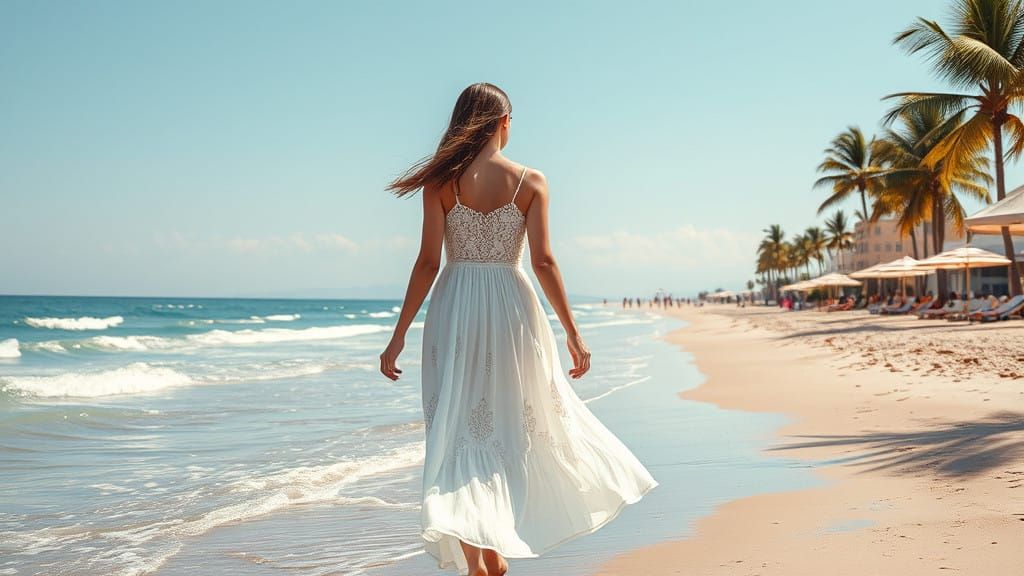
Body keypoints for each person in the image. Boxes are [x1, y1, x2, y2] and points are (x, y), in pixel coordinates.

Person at [379, 83, 658, 576]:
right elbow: (545, 261)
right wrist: (572, 331)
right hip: (512, 307)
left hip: (454, 307)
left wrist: (399, 333)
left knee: (456, 430)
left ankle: (480, 556)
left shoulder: (440, 183)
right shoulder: (531, 181)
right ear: (503, 121)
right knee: (507, 424)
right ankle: (492, 549)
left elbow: (426, 262)